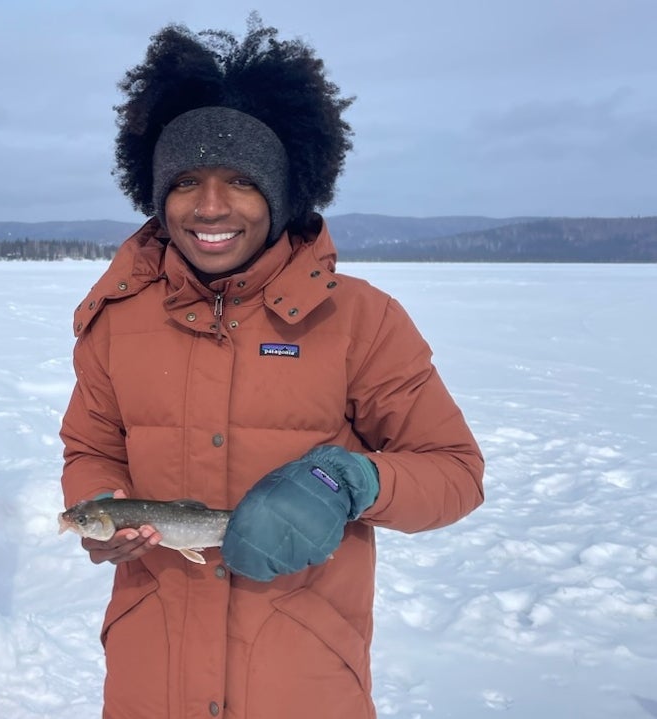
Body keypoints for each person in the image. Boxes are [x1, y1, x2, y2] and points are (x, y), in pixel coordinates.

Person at [59, 16, 485, 719]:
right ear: (156, 192)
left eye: (242, 181)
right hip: (148, 677)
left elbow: (455, 471)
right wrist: (106, 511)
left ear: (285, 192)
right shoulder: (117, 320)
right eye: (188, 179)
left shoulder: (360, 320)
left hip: (304, 679)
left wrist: (353, 478)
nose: (211, 206)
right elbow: (92, 447)